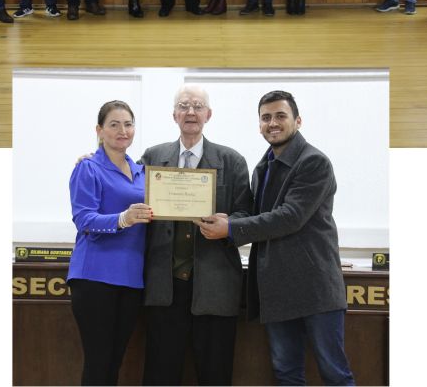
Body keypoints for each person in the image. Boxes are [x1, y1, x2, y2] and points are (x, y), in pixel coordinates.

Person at [197, 90, 354, 386]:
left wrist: (230, 228)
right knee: (286, 373)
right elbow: (257, 216)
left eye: (280, 116)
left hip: (315, 288)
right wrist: (224, 220)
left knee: (334, 373)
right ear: (259, 125)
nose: (273, 123)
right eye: (266, 118)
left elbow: (289, 217)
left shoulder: (314, 163)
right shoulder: (263, 167)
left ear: (298, 120)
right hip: (277, 290)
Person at [140, 85, 252, 385]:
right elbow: (125, 188)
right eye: (184, 105)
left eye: (198, 106)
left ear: (208, 115)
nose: (191, 112)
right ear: (174, 114)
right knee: (160, 374)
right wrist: (94, 156)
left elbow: (248, 216)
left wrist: (228, 225)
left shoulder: (232, 161)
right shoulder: (152, 156)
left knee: (215, 374)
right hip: (165, 287)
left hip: (216, 287)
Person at [68, 100, 152, 385]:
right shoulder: (88, 168)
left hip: (131, 279)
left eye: (128, 124)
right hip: (94, 277)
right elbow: (84, 219)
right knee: (98, 362)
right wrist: (122, 219)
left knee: (114, 362)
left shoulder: (142, 171)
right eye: (114, 124)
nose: (122, 130)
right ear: (99, 130)